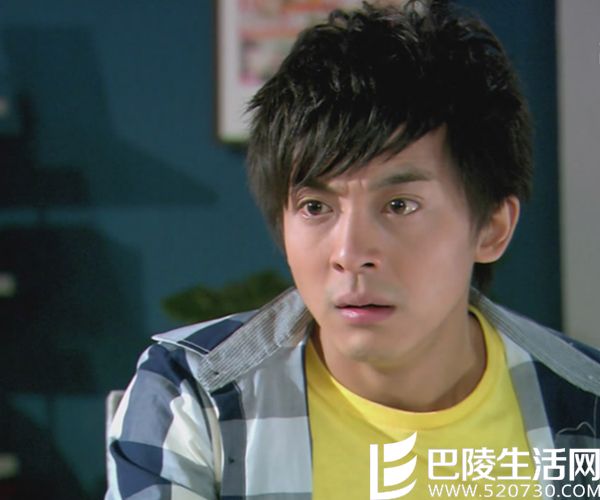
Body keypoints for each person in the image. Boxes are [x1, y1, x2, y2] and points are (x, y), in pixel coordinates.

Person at [106, 1, 600, 499]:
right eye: (316, 207)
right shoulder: (192, 397)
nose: (349, 252)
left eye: (400, 205)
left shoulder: (587, 405)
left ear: (492, 227)